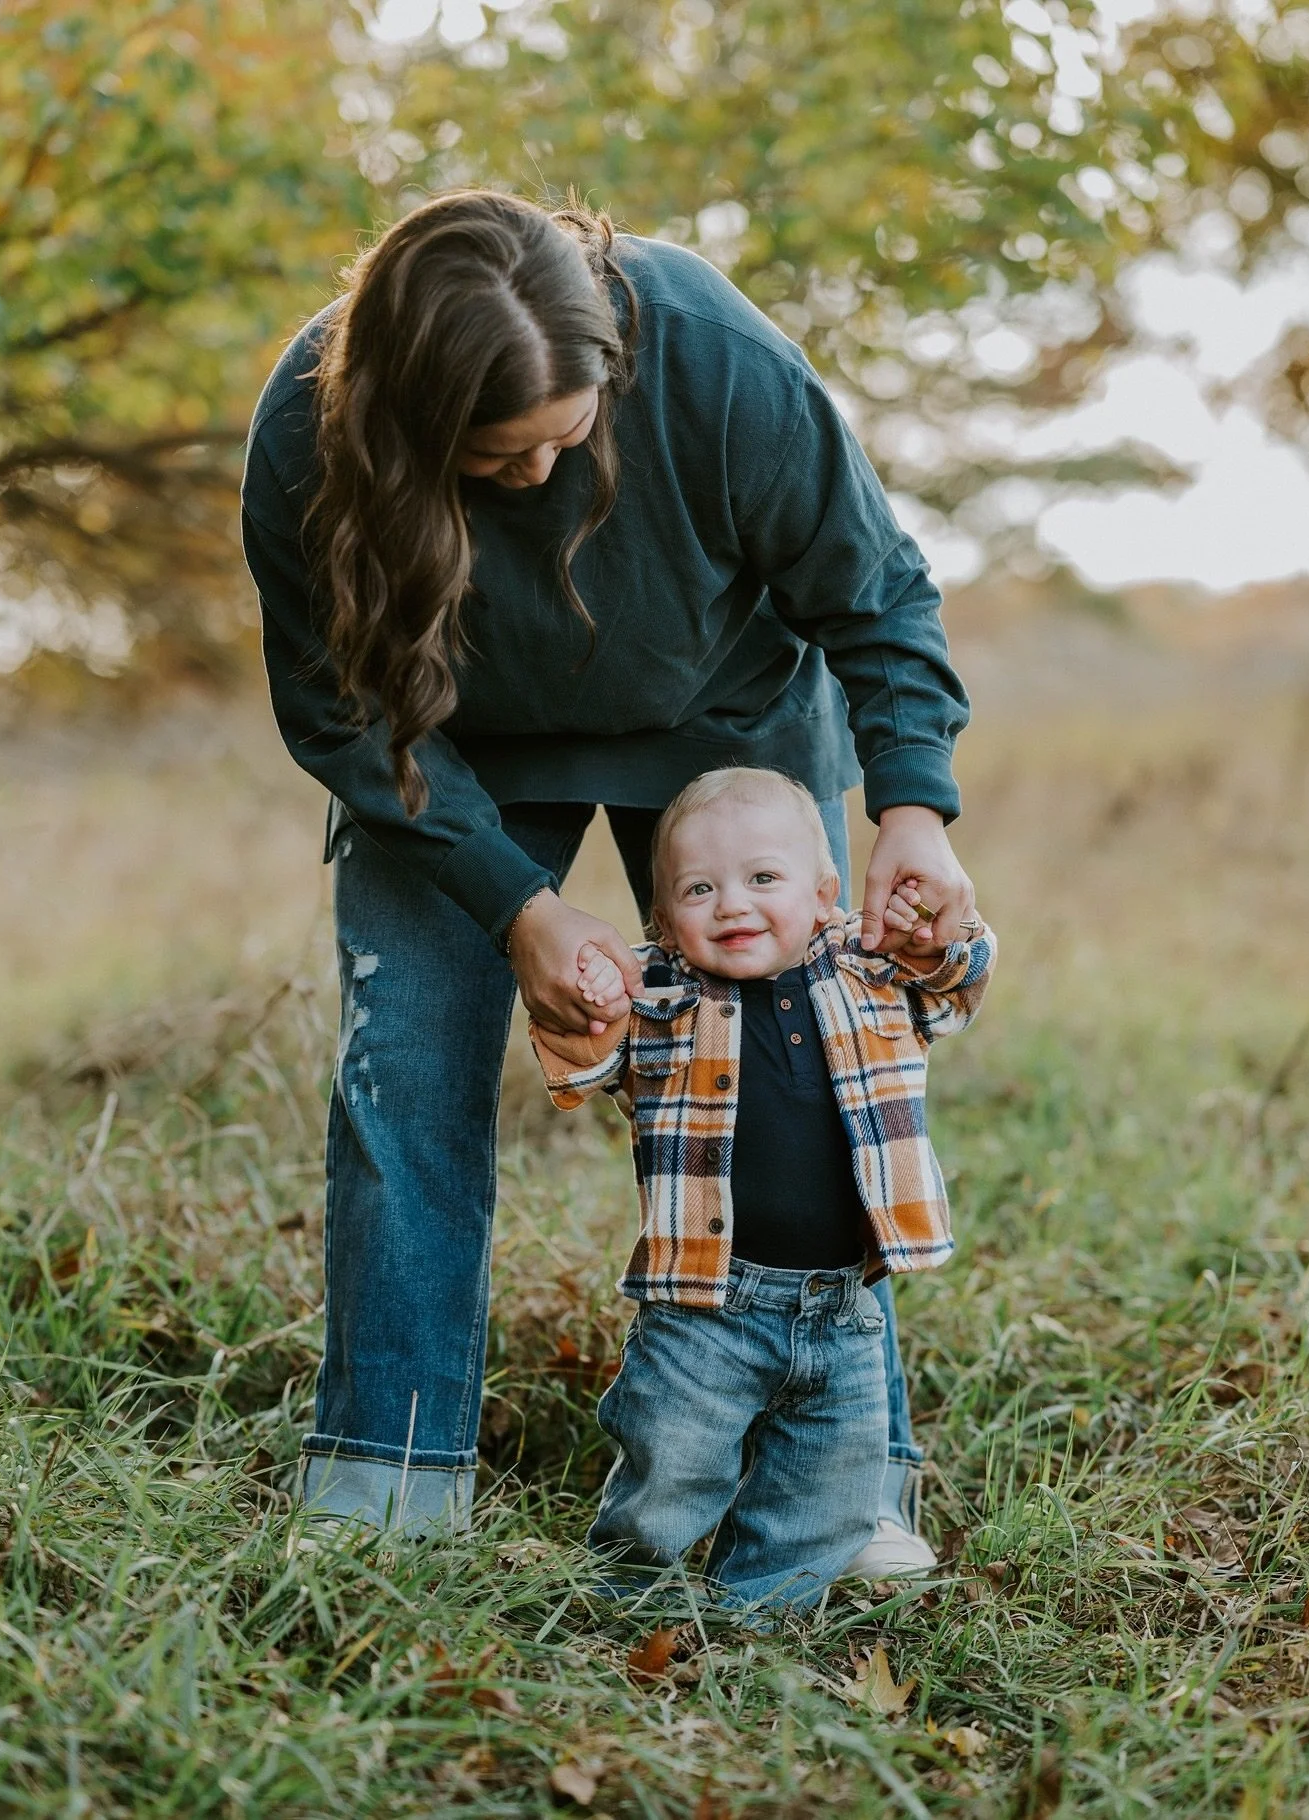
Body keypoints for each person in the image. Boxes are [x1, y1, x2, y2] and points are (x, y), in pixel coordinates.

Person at [239, 188, 977, 1561]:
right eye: (490, 460)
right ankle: (387, 1476)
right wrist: (516, 904)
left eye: (562, 442)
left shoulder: (714, 356)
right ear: (406, 423)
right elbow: (341, 709)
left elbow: (874, 592)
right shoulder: (305, 428)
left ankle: (844, 1480)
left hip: (726, 717)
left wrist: (914, 810)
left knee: (805, 1074)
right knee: (405, 1068)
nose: (532, 482)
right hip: (445, 754)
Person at [529, 767, 995, 1608]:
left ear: (824, 896)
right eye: (699, 888)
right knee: (670, 1463)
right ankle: (631, 1600)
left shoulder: (872, 971)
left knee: (826, 1484)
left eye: (762, 879)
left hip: (844, 1309)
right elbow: (583, 1062)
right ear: (664, 920)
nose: (732, 905)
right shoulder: (660, 993)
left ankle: (761, 1622)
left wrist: (932, 932)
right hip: (705, 1309)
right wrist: (595, 999)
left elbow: (954, 982)